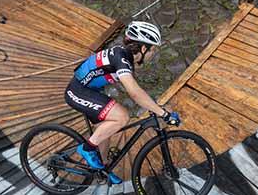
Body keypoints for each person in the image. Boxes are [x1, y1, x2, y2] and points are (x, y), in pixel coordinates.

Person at [65, 21, 180, 184]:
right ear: (142, 47)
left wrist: (153, 106)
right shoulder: (121, 58)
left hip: (90, 91)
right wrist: (164, 113)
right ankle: (87, 148)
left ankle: (102, 169)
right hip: (78, 91)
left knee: (106, 128)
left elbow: (135, 88)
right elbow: (134, 92)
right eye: (152, 48)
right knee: (121, 116)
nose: (153, 53)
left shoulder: (124, 56)